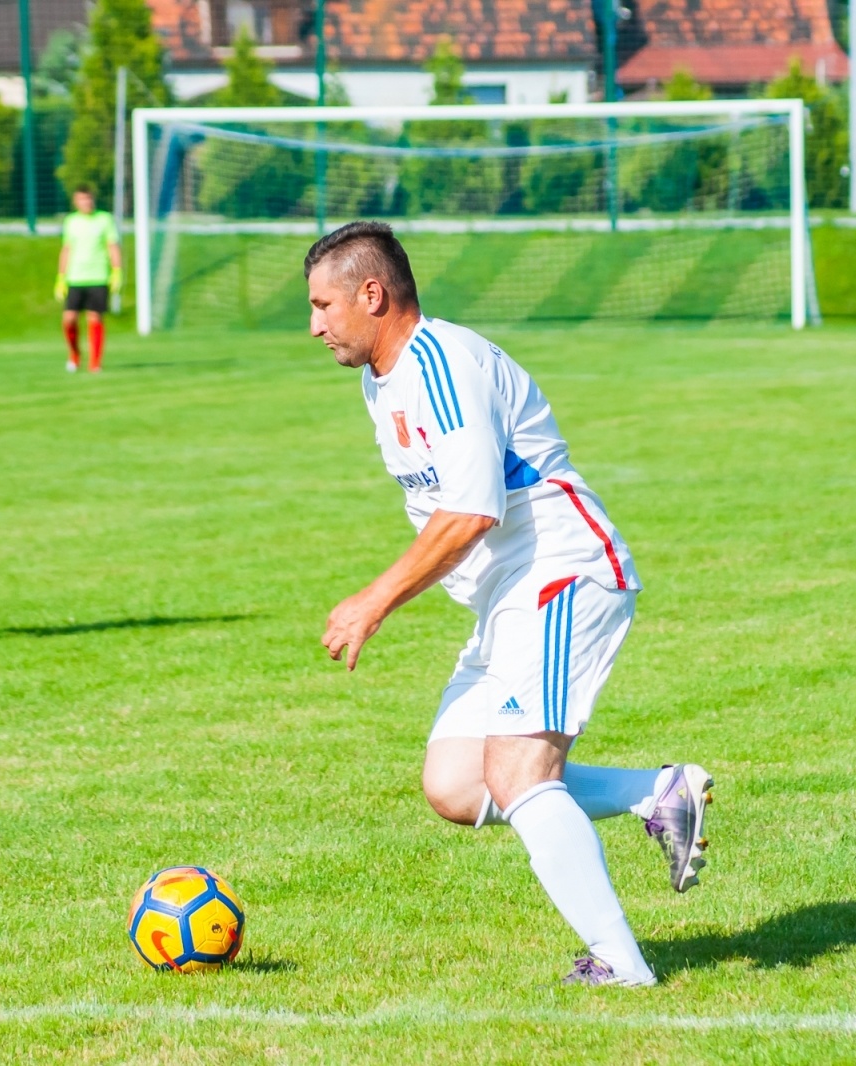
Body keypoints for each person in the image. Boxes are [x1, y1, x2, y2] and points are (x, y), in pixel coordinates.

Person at [308, 221, 714, 987]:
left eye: (325, 305)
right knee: (457, 784)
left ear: (373, 293)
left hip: (561, 571)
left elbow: (471, 512)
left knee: (521, 771)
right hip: (508, 594)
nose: (316, 325)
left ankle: (622, 968)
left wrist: (375, 600)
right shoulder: (381, 380)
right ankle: (658, 793)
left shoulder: (443, 365)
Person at [55, 186, 121, 373]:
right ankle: (75, 354)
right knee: (69, 320)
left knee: (95, 318)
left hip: (98, 276)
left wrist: (117, 271)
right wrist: (61, 277)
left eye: (89, 198)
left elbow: (112, 245)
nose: (86, 202)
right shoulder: (71, 221)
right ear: (76, 201)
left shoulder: (104, 219)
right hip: (75, 278)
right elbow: (66, 249)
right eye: (82, 199)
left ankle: (95, 362)